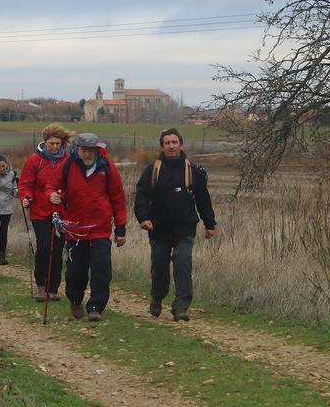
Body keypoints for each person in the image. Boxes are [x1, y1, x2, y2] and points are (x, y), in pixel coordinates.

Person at [134, 128, 217, 321]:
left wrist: (209, 224)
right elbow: (142, 195)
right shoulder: (153, 170)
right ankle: (157, 297)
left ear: (181, 144)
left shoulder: (193, 171)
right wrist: (143, 218)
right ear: (162, 146)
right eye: (167, 143)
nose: (171, 146)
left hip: (184, 228)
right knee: (159, 266)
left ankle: (181, 306)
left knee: (182, 261)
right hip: (158, 229)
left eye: (174, 142)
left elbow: (203, 199)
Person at [47, 132, 127, 322]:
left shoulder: (107, 167)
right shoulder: (68, 165)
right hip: (75, 229)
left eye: (91, 150)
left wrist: (120, 228)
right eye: (83, 150)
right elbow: (52, 185)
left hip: (100, 229)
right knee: (76, 271)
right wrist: (51, 195)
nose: (87, 154)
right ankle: (75, 300)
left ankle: (95, 307)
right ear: (77, 149)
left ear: (97, 150)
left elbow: (118, 198)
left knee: (101, 269)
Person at [18, 124, 73, 301]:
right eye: (51, 143)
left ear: (63, 143)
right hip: (40, 211)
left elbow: (73, 185)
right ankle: (41, 285)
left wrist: (63, 196)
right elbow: (25, 183)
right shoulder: (35, 160)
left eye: (58, 143)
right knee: (43, 247)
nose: (55, 147)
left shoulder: (69, 160)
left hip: (61, 213)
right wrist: (26, 197)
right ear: (45, 141)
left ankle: (53, 287)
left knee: (57, 250)